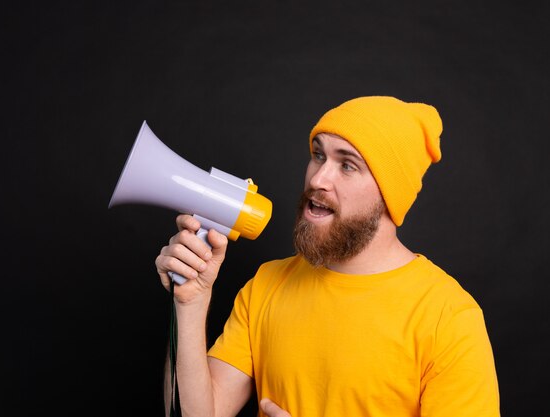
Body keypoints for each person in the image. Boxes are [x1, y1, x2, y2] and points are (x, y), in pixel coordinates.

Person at [155, 96, 500, 417]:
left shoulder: (449, 318)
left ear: (389, 195)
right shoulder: (268, 284)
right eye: (318, 155)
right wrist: (191, 303)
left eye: (348, 166)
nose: (318, 179)